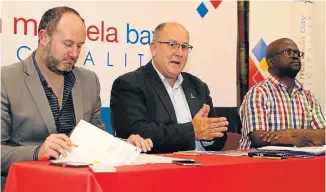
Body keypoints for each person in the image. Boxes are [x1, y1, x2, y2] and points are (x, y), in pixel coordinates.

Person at [1, 6, 153, 176]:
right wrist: (37, 152)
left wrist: (125, 146)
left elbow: (97, 140)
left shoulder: (89, 81)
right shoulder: (6, 80)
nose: (74, 54)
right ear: (43, 38)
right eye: (68, 44)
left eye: (79, 46)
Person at [110, 22, 228, 153]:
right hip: (158, 169)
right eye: (172, 45)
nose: (180, 53)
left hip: (202, 168)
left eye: (184, 47)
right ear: (154, 48)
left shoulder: (198, 86)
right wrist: (193, 131)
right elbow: (136, 132)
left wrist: (208, 135)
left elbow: (219, 138)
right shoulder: (130, 83)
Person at [239, 38, 325, 150]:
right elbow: (259, 138)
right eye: (288, 52)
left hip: (299, 162)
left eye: (297, 53)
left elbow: (323, 134)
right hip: (261, 162)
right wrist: (297, 141)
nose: (295, 56)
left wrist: (289, 133)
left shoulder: (309, 97)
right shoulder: (259, 93)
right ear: (270, 62)